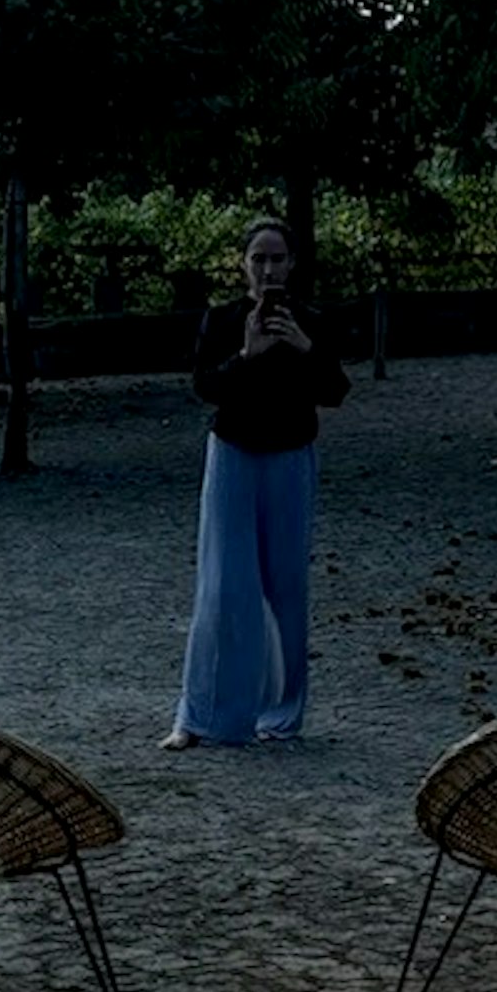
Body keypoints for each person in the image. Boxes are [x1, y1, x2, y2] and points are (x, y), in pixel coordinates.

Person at [168, 221, 348, 747]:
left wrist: (304, 347)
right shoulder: (223, 321)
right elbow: (206, 386)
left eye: (277, 259)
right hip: (234, 455)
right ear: (243, 264)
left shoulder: (310, 321)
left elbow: (335, 390)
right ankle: (199, 716)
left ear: (292, 264)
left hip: (291, 457)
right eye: (258, 259)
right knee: (224, 587)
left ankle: (281, 715)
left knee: (285, 587)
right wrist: (246, 355)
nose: (267, 269)